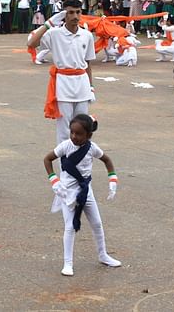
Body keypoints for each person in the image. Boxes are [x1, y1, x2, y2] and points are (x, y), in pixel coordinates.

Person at [43, 114, 121, 276]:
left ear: (89, 135)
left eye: (78, 134)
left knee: (97, 223)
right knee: (70, 227)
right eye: (72, 132)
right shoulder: (65, 146)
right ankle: (68, 263)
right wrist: (54, 181)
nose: (74, 136)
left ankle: (103, 254)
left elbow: (107, 160)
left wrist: (112, 179)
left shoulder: (92, 148)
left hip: (86, 191)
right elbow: (47, 159)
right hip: (67, 193)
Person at [28, 0, 96, 143]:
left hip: (82, 84)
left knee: (83, 127)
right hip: (63, 84)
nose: (75, 16)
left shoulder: (87, 35)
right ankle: (64, 165)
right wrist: (48, 23)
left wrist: (91, 87)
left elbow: (88, 63)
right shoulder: (54, 33)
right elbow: (31, 43)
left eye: (78, 12)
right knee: (65, 130)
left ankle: (81, 164)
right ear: (64, 14)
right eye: (70, 12)